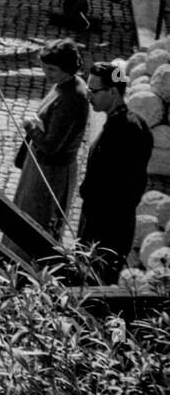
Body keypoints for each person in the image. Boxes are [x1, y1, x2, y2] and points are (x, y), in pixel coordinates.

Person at [76, 61, 153, 283]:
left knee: (94, 286)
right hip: (108, 224)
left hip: (107, 229)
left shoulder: (125, 130)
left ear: (112, 91)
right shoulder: (132, 123)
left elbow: (122, 187)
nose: (89, 95)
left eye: (94, 90)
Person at [11, 39, 89, 238]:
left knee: (37, 222)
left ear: (68, 68)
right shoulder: (63, 83)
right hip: (41, 165)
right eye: (44, 67)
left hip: (51, 171)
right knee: (24, 215)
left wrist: (29, 126)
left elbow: (51, 145)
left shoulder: (71, 98)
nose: (46, 73)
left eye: (52, 69)